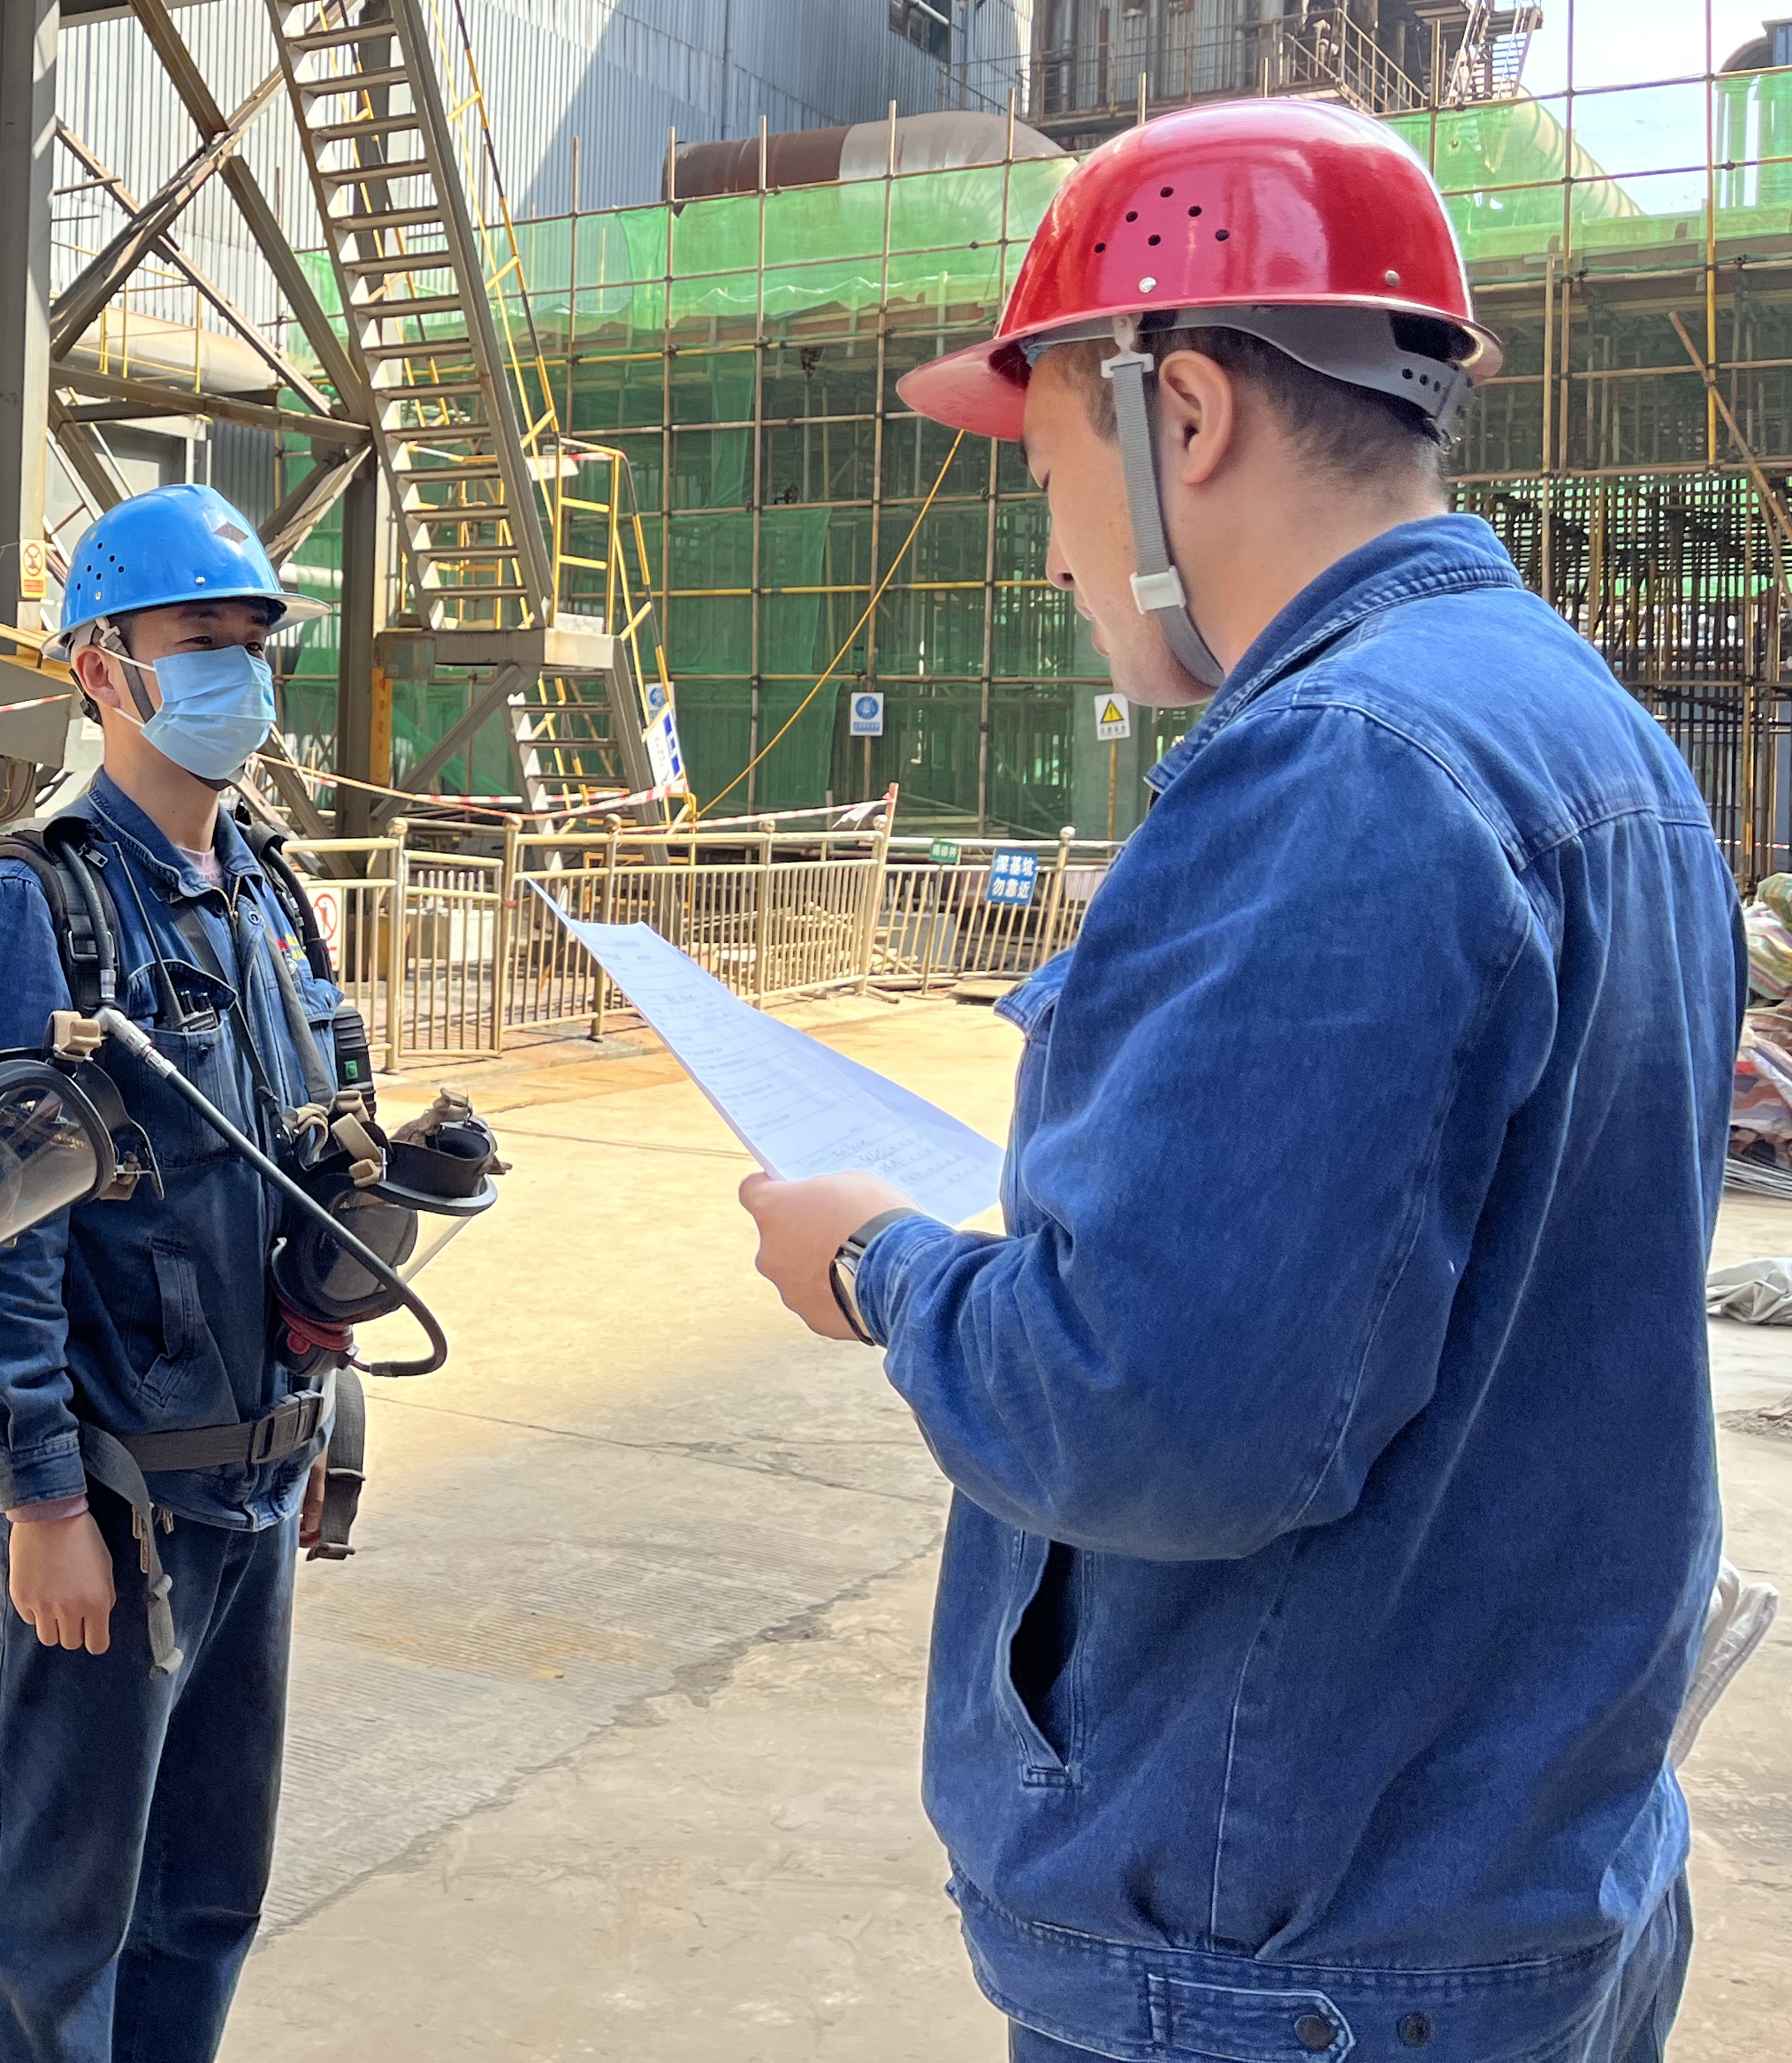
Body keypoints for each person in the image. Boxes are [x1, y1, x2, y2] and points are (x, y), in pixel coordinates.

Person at [737, 101, 1735, 2061]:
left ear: (1179, 416)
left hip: (1301, 1959)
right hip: (1513, 1877)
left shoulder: (1348, 766)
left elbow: (1156, 1417)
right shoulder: (1579, 727)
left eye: (1043, 473)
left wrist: (880, 1270)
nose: (1049, 554)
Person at [0, 483, 353, 2063]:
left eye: (257, 641)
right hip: (108, 1512)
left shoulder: (273, 897)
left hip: (253, 1484)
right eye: (202, 641)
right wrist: (41, 1506)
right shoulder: (34, 908)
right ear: (104, 667)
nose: (241, 672)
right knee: (53, 1922)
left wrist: (328, 1412)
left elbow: (316, 1178)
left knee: (205, 1900)